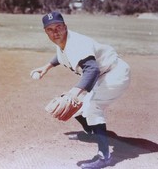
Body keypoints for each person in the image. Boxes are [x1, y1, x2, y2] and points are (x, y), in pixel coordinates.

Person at [30, 11, 131, 169]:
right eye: (50, 29)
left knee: (91, 106)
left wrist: (73, 92)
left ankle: (104, 157)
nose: (55, 32)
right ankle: (93, 130)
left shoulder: (77, 43)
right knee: (76, 104)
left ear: (65, 27)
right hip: (103, 74)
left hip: (114, 73)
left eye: (58, 27)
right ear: (45, 32)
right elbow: (61, 55)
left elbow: (92, 70)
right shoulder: (63, 43)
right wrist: (46, 67)